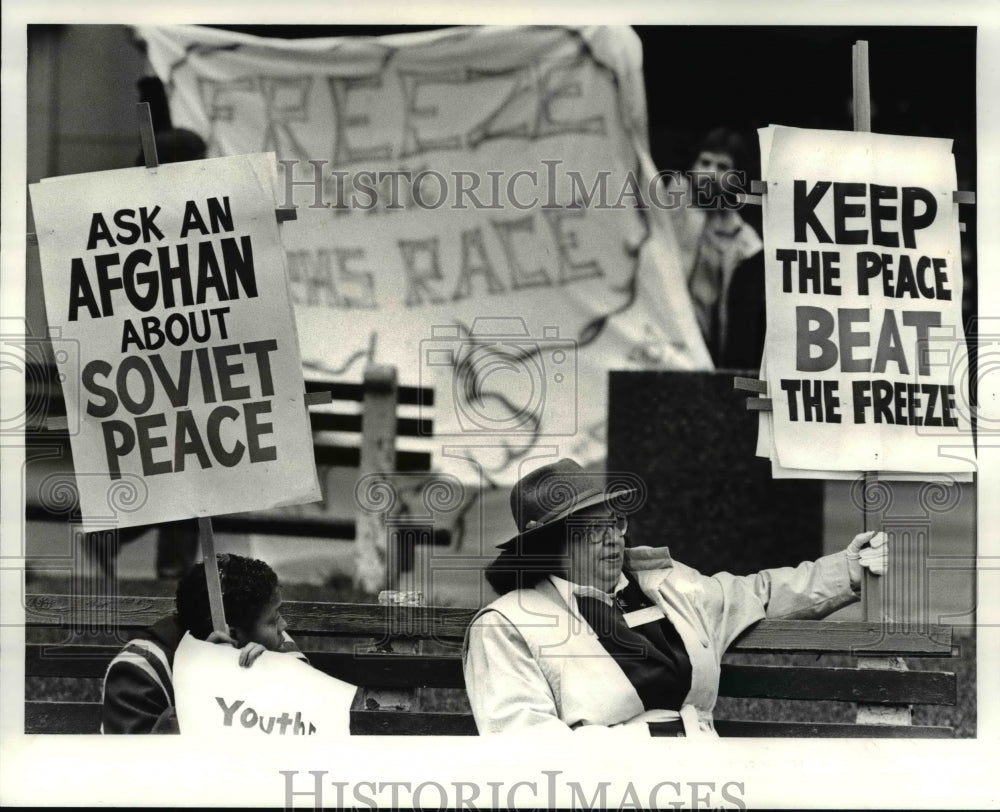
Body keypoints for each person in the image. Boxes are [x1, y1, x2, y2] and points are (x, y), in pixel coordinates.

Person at [462, 459, 887, 737]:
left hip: (708, 778)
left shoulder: (665, 585)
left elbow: (758, 592)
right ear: (549, 545)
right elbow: (523, 746)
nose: (611, 538)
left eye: (615, 522)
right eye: (590, 530)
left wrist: (848, 568)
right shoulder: (508, 624)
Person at [101, 553, 304, 734]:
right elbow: (134, 766)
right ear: (233, 635)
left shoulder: (277, 648)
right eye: (272, 619)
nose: (283, 625)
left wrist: (266, 680)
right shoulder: (140, 670)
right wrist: (209, 692)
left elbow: (315, 729)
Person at [663, 128, 765, 367]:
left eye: (722, 167)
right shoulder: (668, 207)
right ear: (692, 167)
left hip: (703, 347)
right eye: (705, 162)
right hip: (659, 330)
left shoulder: (744, 241)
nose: (710, 173)